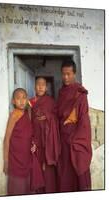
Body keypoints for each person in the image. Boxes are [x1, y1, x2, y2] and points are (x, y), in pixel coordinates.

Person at [56, 59, 92, 192]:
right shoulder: (61, 93)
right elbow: (58, 113)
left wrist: (76, 140)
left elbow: (83, 120)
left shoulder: (80, 93)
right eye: (63, 74)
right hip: (63, 138)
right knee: (65, 173)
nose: (66, 77)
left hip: (74, 139)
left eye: (69, 74)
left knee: (78, 169)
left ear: (74, 74)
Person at [29, 77, 61, 193]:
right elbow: (29, 121)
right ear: (35, 87)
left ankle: (51, 192)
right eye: (38, 84)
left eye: (43, 84)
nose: (41, 87)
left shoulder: (51, 102)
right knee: (37, 168)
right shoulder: (31, 102)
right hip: (36, 140)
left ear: (46, 87)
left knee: (49, 169)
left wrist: (48, 117)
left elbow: (57, 119)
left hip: (49, 140)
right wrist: (31, 140)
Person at [3, 88, 33, 195]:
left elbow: (30, 133)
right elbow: (7, 139)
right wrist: (6, 161)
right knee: (17, 188)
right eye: (18, 98)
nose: (21, 101)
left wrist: (33, 144)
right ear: (13, 101)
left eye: (24, 98)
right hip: (15, 159)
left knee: (27, 187)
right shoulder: (14, 115)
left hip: (26, 157)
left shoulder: (28, 114)